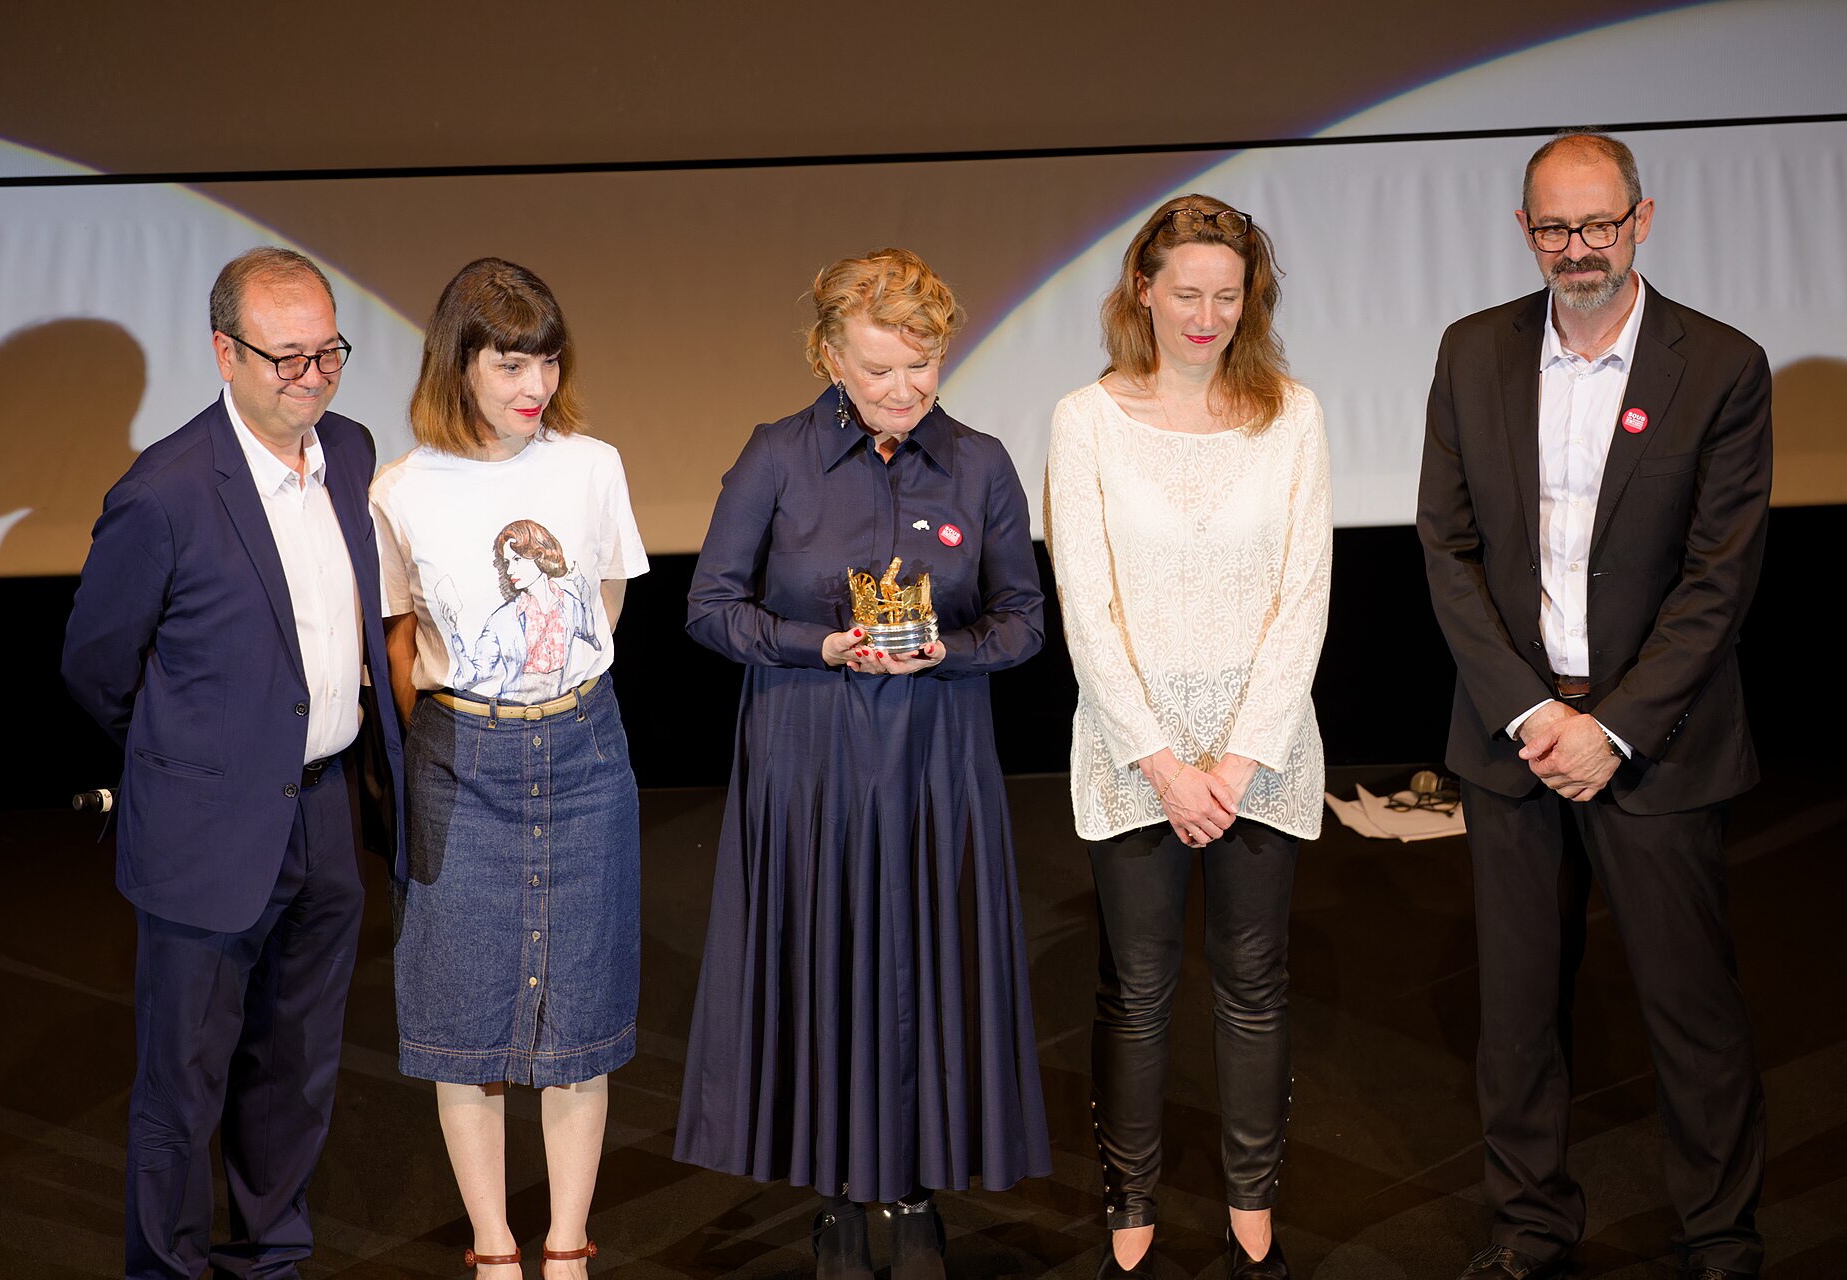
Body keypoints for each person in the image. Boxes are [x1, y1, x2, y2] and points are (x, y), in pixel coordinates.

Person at [1417, 132, 1771, 1280]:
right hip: (1513, 740)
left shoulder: (1718, 365)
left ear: (1643, 219)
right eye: (1554, 228)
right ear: (1526, 232)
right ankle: (1528, 1229)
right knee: (1517, 1018)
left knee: (1692, 1016)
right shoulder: (1473, 352)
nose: (1578, 249)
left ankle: (1720, 1241)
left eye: (1599, 225)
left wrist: (1607, 727)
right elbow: (1448, 549)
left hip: (1656, 746)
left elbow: (1719, 578)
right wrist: (1531, 713)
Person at [675, 247, 1052, 1279]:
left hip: (937, 754)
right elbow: (709, 608)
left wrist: (954, 651)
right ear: (829, 353)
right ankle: (841, 1193)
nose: (901, 392)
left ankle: (919, 1187)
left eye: (921, 367)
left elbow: (1024, 618)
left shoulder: (978, 462)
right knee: (827, 951)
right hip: (809, 752)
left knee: (928, 960)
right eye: (878, 369)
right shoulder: (776, 456)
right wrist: (823, 644)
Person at [61, 247, 406, 1278]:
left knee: (295, 1070)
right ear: (225, 351)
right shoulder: (163, 491)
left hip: (328, 813)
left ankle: (271, 1258)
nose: (313, 377)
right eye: (287, 358)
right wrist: (195, 758)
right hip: (207, 829)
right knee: (184, 1083)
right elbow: (95, 663)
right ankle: (166, 1269)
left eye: (330, 353)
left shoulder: (348, 448)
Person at [1045, 196, 1331, 1280]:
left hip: (1262, 744)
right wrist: (1164, 762)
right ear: (1143, 292)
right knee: (1139, 983)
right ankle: (1131, 1194)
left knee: (1256, 981)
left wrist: (1241, 757)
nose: (1207, 315)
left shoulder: (1292, 413)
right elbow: (1088, 602)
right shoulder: (1086, 418)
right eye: (1187, 292)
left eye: (1228, 293)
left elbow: (1304, 593)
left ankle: (1254, 1197)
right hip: (1136, 752)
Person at [369, 257, 648, 1278]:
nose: (533, 383)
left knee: (579, 1013)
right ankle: (493, 1247)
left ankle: (567, 1244)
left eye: (546, 358)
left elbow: (603, 605)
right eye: (509, 361)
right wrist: (465, 722)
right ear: (461, 362)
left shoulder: (591, 464)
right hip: (461, 756)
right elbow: (401, 636)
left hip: (581, 750)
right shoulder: (400, 489)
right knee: (463, 1016)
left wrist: (552, 695)